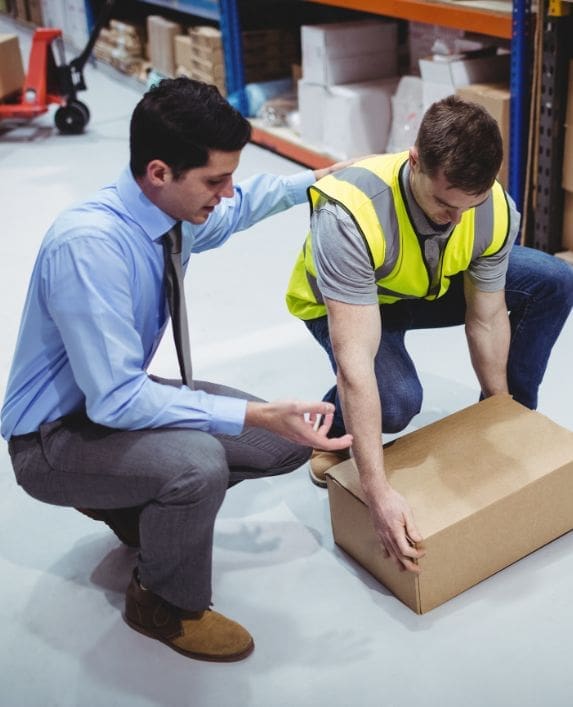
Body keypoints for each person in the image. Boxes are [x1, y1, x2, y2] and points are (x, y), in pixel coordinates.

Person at [1, 78, 353, 663]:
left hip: (105, 405)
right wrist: (252, 411)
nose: (227, 192)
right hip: (53, 439)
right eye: (215, 181)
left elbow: (241, 211)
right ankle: (163, 600)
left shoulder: (172, 214)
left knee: (281, 445)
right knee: (199, 462)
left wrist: (315, 184)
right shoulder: (90, 246)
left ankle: (139, 510)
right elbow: (116, 401)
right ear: (160, 172)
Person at [286, 95, 573, 575]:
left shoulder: (495, 209)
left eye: (470, 205)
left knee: (552, 281)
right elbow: (355, 359)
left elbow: (487, 315)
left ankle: (512, 418)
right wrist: (377, 495)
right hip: (351, 302)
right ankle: (332, 432)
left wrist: (496, 417)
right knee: (395, 401)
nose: (455, 218)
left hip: (425, 283)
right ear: (414, 160)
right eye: (443, 202)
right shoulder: (350, 210)